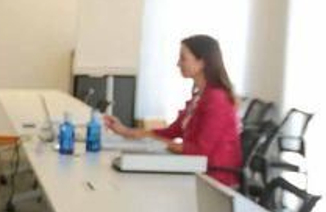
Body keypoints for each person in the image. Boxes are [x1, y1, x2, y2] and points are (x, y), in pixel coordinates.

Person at [104, 34, 243, 186]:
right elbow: (170, 132)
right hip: (196, 170)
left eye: (183, 58)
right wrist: (125, 131)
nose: (178, 63)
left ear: (202, 62)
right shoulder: (200, 96)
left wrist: (158, 141)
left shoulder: (217, 99)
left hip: (215, 180)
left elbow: (199, 152)